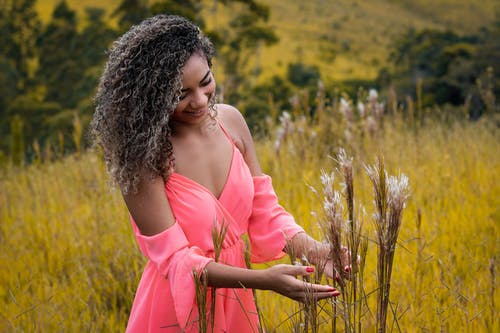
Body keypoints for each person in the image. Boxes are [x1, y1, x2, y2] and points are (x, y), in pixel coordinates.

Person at [91, 14, 349, 333]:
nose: (199, 101)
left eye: (205, 82)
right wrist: (262, 280)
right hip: (175, 310)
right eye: (179, 94)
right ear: (151, 98)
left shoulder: (231, 122)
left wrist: (314, 249)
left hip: (237, 307)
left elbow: (264, 210)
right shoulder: (142, 158)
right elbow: (177, 262)